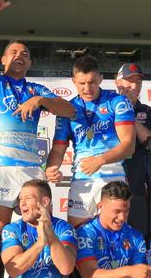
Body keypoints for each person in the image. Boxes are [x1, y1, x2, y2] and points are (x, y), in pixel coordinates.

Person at [0, 0, 75, 240]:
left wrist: (41, 101)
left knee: (40, 228)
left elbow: (70, 110)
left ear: (30, 63)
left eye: (24, 53)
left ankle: (41, 276)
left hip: (31, 170)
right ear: (2, 59)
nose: (18, 55)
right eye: (12, 51)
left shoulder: (36, 89)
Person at [47, 55, 136, 228]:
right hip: (83, 180)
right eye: (82, 83)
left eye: (92, 82)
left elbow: (128, 146)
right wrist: (51, 168)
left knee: (113, 234)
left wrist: (100, 160)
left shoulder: (118, 102)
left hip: (113, 178)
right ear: (73, 81)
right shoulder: (67, 110)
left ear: (101, 79)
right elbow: (58, 151)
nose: (87, 88)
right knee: (79, 236)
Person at [115, 62, 151, 242]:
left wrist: (128, 115)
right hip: (106, 185)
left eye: (138, 82)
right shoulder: (104, 109)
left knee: (139, 241)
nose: (134, 86)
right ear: (117, 82)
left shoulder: (150, 113)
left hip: (137, 189)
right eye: (129, 80)